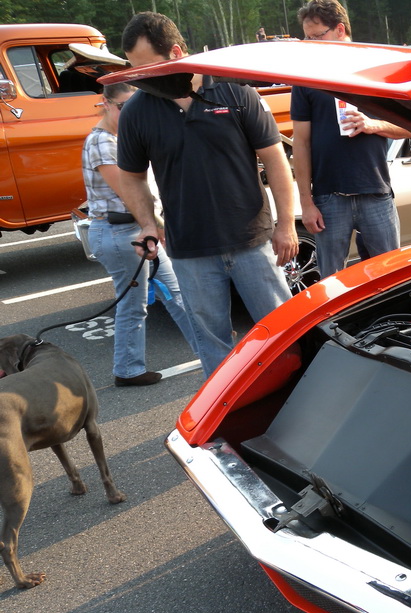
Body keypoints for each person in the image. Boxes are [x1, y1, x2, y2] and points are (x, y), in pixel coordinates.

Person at [116, 12, 297, 378]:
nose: (143, 79)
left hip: (252, 242)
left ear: (176, 52)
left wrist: (287, 223)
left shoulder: (235, 92)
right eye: (136, 71)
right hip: (190, 251)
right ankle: (229, 419)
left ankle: (302, 393)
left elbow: (276, 160)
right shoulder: (136, 111)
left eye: (148, 68)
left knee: (282, 330)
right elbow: (131, 177)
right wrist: (147, 224)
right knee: (212, 341)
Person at [83, 83, 198, 386]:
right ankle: (128, 369)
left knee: (176, 295)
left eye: (134, 106)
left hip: (132, 229)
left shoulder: (118, 137)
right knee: (137, 305)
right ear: (104, 104)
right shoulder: (102, 142)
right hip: (119, 233)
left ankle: (214, 351)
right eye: (123, 106)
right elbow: (128, 192)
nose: (130, 113)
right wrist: (159, 226)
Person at [292, 0, 411, 280]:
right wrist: (306, 203)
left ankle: (390, 323)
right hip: (328, 196)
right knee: (331, 282)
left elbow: (409, 129)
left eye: (316, 36)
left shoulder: (377, 70)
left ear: (339, 29)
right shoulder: (304, 76)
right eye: (306, 38)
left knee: (390, 276)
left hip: (375, 192)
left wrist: (373, 125)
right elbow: (300, 143)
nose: (310, 43)